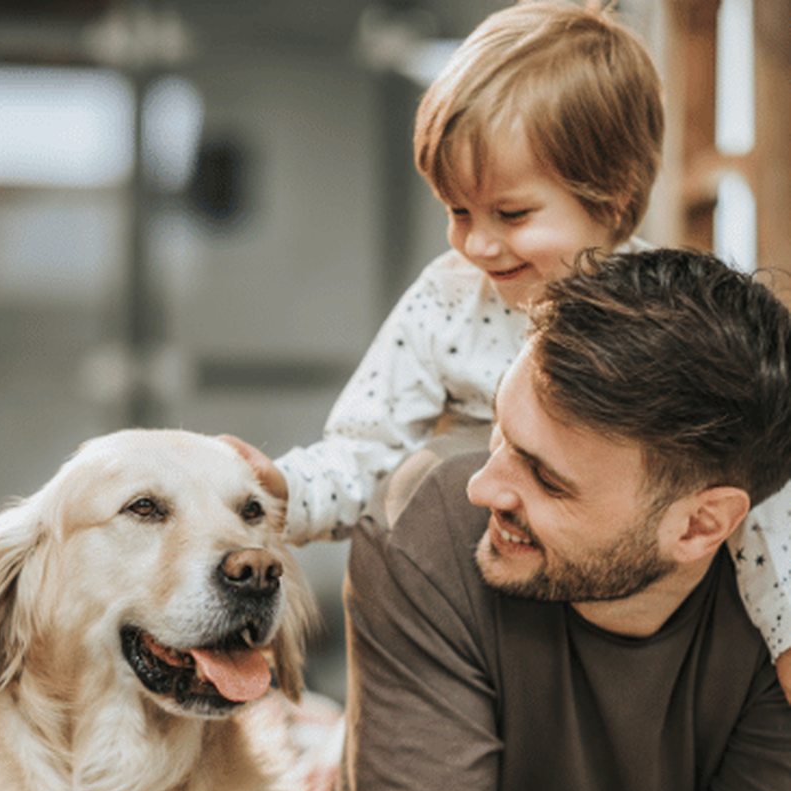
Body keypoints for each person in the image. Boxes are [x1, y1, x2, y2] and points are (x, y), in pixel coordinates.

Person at [248, 1, 791, 696]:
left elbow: (755, 489)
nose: (476, 244)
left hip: (633, 610)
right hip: (497, 609)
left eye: (511, 214)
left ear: (612, 193)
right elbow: (364, 448)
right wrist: (279, 493)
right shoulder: (449, 299)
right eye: (456, 211)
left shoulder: (665, 321)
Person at [336, 247, 791, 791]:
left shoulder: (781, 613)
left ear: (699, 526)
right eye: (501, 437)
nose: (488, 488)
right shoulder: (427, 531)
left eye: (545, 477)